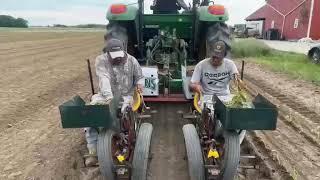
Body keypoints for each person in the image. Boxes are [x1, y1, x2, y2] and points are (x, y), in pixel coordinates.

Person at [84, 38, 144, 166]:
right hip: (106, 95)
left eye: (119, 56)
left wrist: (139, 84)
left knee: (123, 113)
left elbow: (139, 77)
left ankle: (124, 136)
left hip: (126, 95)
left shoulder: (132, 60)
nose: (118, 59)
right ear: (108, 53)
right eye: (114, 56)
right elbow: (104, 78)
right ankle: (93, 152)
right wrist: (110, 100)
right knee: (90, 114)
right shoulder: (101, 60)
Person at [189, 40, 246, 143]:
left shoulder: (230, 65)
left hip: (225, 96)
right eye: (213, 56)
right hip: (207, 96)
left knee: (242, 118)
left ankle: (235, 142)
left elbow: (236, 78)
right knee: (209, 114)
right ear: (211, 53)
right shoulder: (201, 65)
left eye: (218, 57)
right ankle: (209, 134)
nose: (215, 59)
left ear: (224, 56)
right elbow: (192, 84)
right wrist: (196, 87)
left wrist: (238, 82)